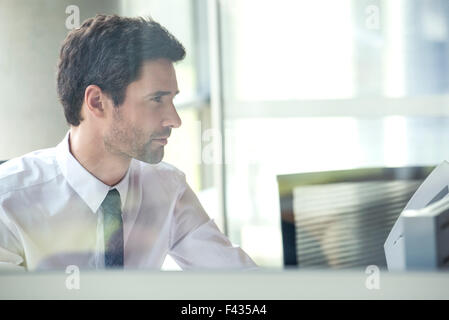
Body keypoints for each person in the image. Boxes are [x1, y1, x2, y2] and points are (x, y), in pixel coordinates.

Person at [0, 14, 257, 271]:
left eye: (172, 100)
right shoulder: (8, 201)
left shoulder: (167, 188)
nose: (175, 120)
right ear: (97, 102)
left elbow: (238, 281)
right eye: (157, 99)